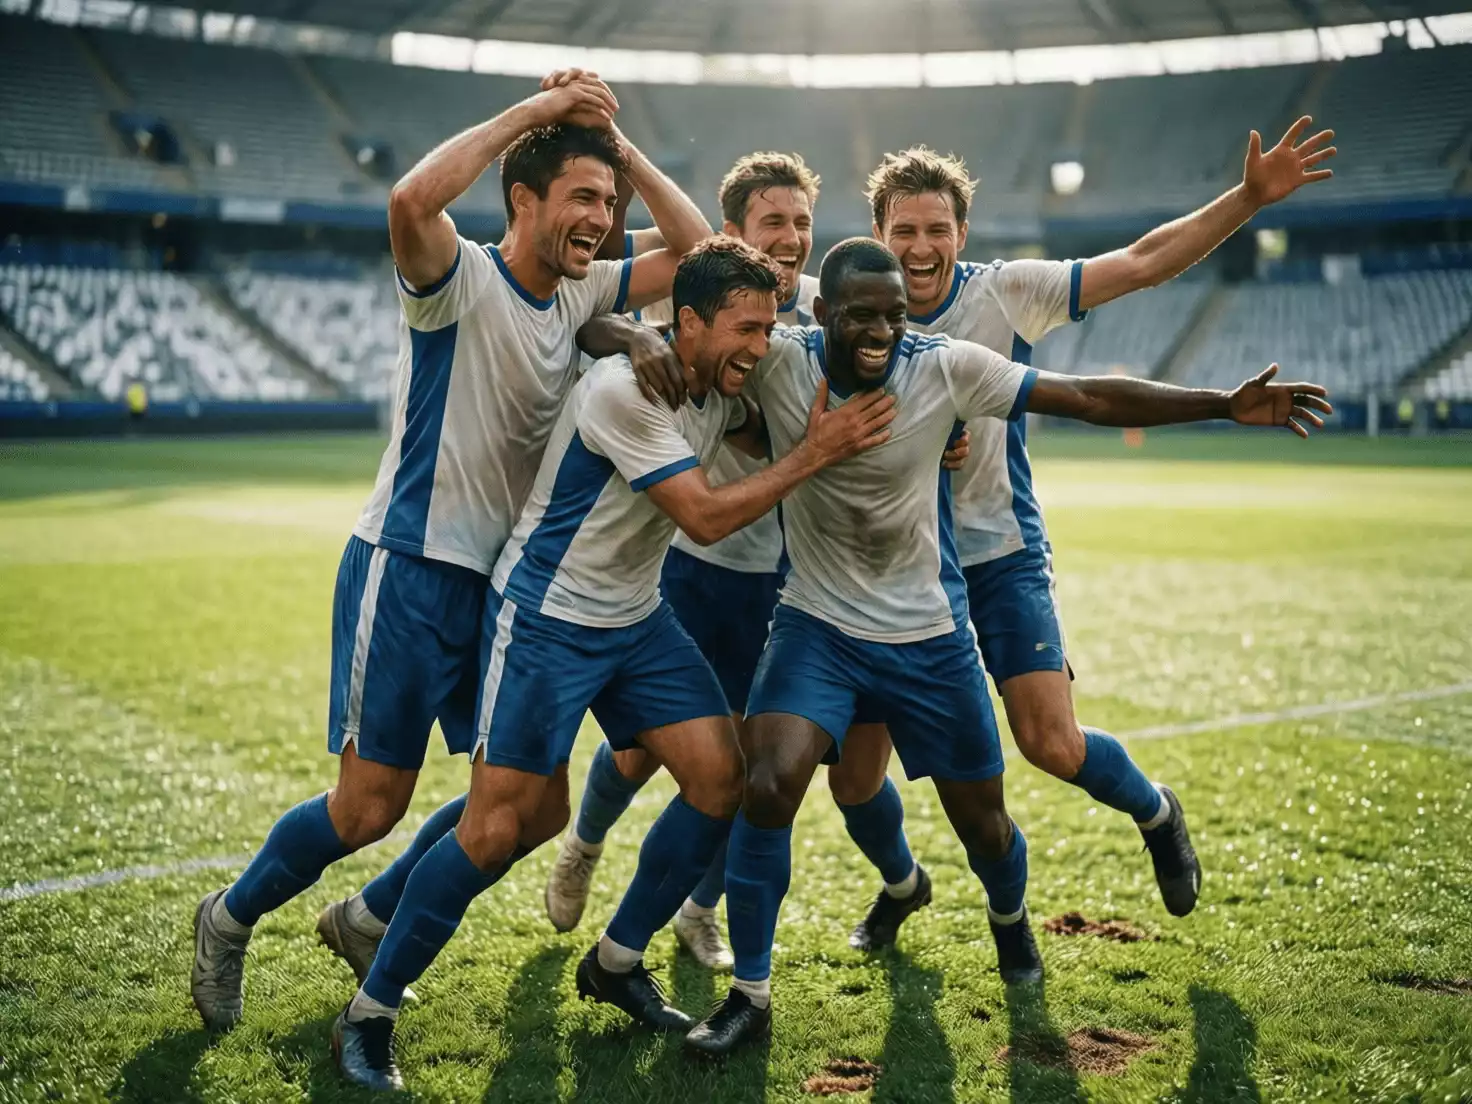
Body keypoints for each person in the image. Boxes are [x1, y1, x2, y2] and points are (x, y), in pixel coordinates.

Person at [681, 237, 1331, 1057]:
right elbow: (683, 346)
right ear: (821, 315)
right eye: (861, 316)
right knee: (768, 783)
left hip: (928, 635)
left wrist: (1219, 404)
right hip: (817, 624)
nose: (882, 330)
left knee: (985, 827)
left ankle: (1009, 917)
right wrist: (633, 341)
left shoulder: (946, 364)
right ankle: (752, 996)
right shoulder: (779, 363)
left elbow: (1086, 396)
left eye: (895, 313)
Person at [190, 69, 712, 1035]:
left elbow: (700, 255)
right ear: (524, 199)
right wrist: (540, 112)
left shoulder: (589, 286)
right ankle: (228, 919)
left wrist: (616, 144)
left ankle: (369, 916)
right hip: (410, 568)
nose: (600, 216)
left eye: (608, 200)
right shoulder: (457, 278)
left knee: (535, 808)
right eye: (581, 197)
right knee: (366, 807)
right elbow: (409, 200)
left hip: (506, 590)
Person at [331, 236, 898, 1089]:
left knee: (721, 779)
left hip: (636, 620)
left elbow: (823, 367)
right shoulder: (625, 390)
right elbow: (703, 519)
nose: (759, 345)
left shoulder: (722, 378)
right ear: (688, 320)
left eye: (769, 326)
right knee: (497, 828)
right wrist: (812, 452)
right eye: (743, 328)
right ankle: (369, 1013)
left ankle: (619, 959)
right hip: (548, 622)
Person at [820, 118, 1338, 929]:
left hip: (997, 552)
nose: (920, 248)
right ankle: (901, 885)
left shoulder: (1005, 291)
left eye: (936, 230)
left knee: (1052, 745)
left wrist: (1247, 199)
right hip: (892, 570)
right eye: (903, 231)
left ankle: (1157, 812)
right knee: (851, 779)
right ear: (877, 235)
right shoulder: (845, 316)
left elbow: (1136, 264)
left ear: (962, 232)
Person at [547, 152, 966, 969]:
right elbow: (587, 319)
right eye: (775, 222)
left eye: (804, 222)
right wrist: (634, 333)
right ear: (735, 231)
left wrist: (947, 428)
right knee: (636, 751)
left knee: (747, 766)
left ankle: (701, 909)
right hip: (689, 559)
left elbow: (903, 366)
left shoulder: (817, 306)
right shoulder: (703, 285)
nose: (794, 238)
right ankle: (585, 844)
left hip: (777, 573)